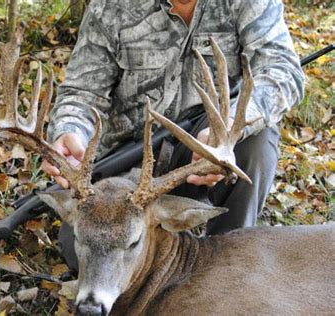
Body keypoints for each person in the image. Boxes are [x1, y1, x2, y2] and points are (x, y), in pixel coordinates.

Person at [41, 0, 304, 270]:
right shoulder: (110, 7)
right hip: (129, 165)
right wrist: (70, 131)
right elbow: (81, 93)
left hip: (203, 150)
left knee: (256, 144)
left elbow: (283, 71)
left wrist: (223, 130)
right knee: (82, 256)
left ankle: (227, 261)